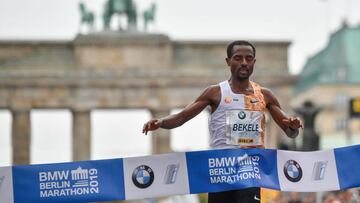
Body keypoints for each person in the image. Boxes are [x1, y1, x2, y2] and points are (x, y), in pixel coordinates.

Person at [142, 40, 303, 203]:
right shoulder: (215, 93)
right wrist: (161, 122)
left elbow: (290, 132)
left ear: (254, 62)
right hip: (221, 170)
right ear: (228, 61)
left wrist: (293, 126)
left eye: (249, 59)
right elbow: (181, 117)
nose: (244, 63)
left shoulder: (265, 95)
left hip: (250, 170)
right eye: (238, 58)